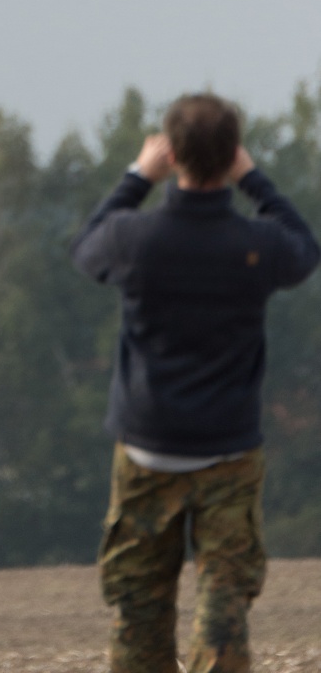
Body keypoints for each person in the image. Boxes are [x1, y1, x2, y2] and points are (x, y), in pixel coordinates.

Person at [71, 92, 319, 673]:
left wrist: (137, 176)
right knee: (224, 600)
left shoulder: (134, 239)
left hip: (147, 446)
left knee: (139, 603)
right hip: (228, 448)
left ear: (173, 155)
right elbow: (305, 248)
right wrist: (254, 179)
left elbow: (85, 248)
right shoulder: (256, 245)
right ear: (231, 154)